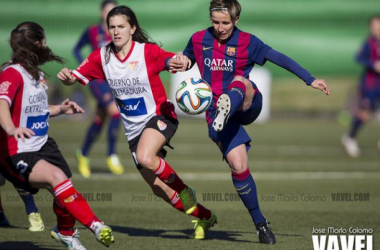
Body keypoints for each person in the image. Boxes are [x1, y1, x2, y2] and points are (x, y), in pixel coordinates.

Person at [169, 0, 329, 244]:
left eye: (225, 23)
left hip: (247, 103)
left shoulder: (248, 42)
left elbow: (278, 57)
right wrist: (180, 61)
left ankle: (227, 104)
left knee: (240, 82)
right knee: (238, 165)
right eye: (215, 22)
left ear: (236, 20)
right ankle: (261, 225)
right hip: (215, 112)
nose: (220, 27)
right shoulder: (199, 38)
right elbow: (188, 59)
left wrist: (309, 79)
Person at [58, 5, 217, 240]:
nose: (115, 31)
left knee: (145, 157)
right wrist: (68, 77)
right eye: (111, 27)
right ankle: (205, 216)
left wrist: (182, 61)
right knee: (159, 189)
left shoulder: (147, 52)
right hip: (133, 130)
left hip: (160, 116)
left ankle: (185, 191)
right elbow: (76, 77)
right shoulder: (101, 57)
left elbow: (175, 60)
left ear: (132, 28)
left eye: (121, 26)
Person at [0, 22, 114, 249]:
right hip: (18, 150)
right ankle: (96, 225)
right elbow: (1, 104)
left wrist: (60, 109)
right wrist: (11, 128)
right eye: (43, 41)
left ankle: (65, 232)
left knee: (64, 186)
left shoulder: (37, 75)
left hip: (42, 145)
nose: (46, 45)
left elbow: (36, 111)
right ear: (35, 43)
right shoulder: (12, 73)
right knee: (57, 178)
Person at [73, 0, 124, 178]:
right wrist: (85, 66)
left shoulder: (119, 31)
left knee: (99, 119)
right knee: (115, 113)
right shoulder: (93, 31)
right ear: (101, 12)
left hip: (115, 80)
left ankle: (83, 154)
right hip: (97, 80)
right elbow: (76, 49)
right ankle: (111, 155)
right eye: (107, 11)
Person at [341, 15, 380, 157]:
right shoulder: (369, 43)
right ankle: (350, 138)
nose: (377, 29)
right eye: (374, 27)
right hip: (370, 84)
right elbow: (358, 57)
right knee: (364, 113)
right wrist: (373, 65)